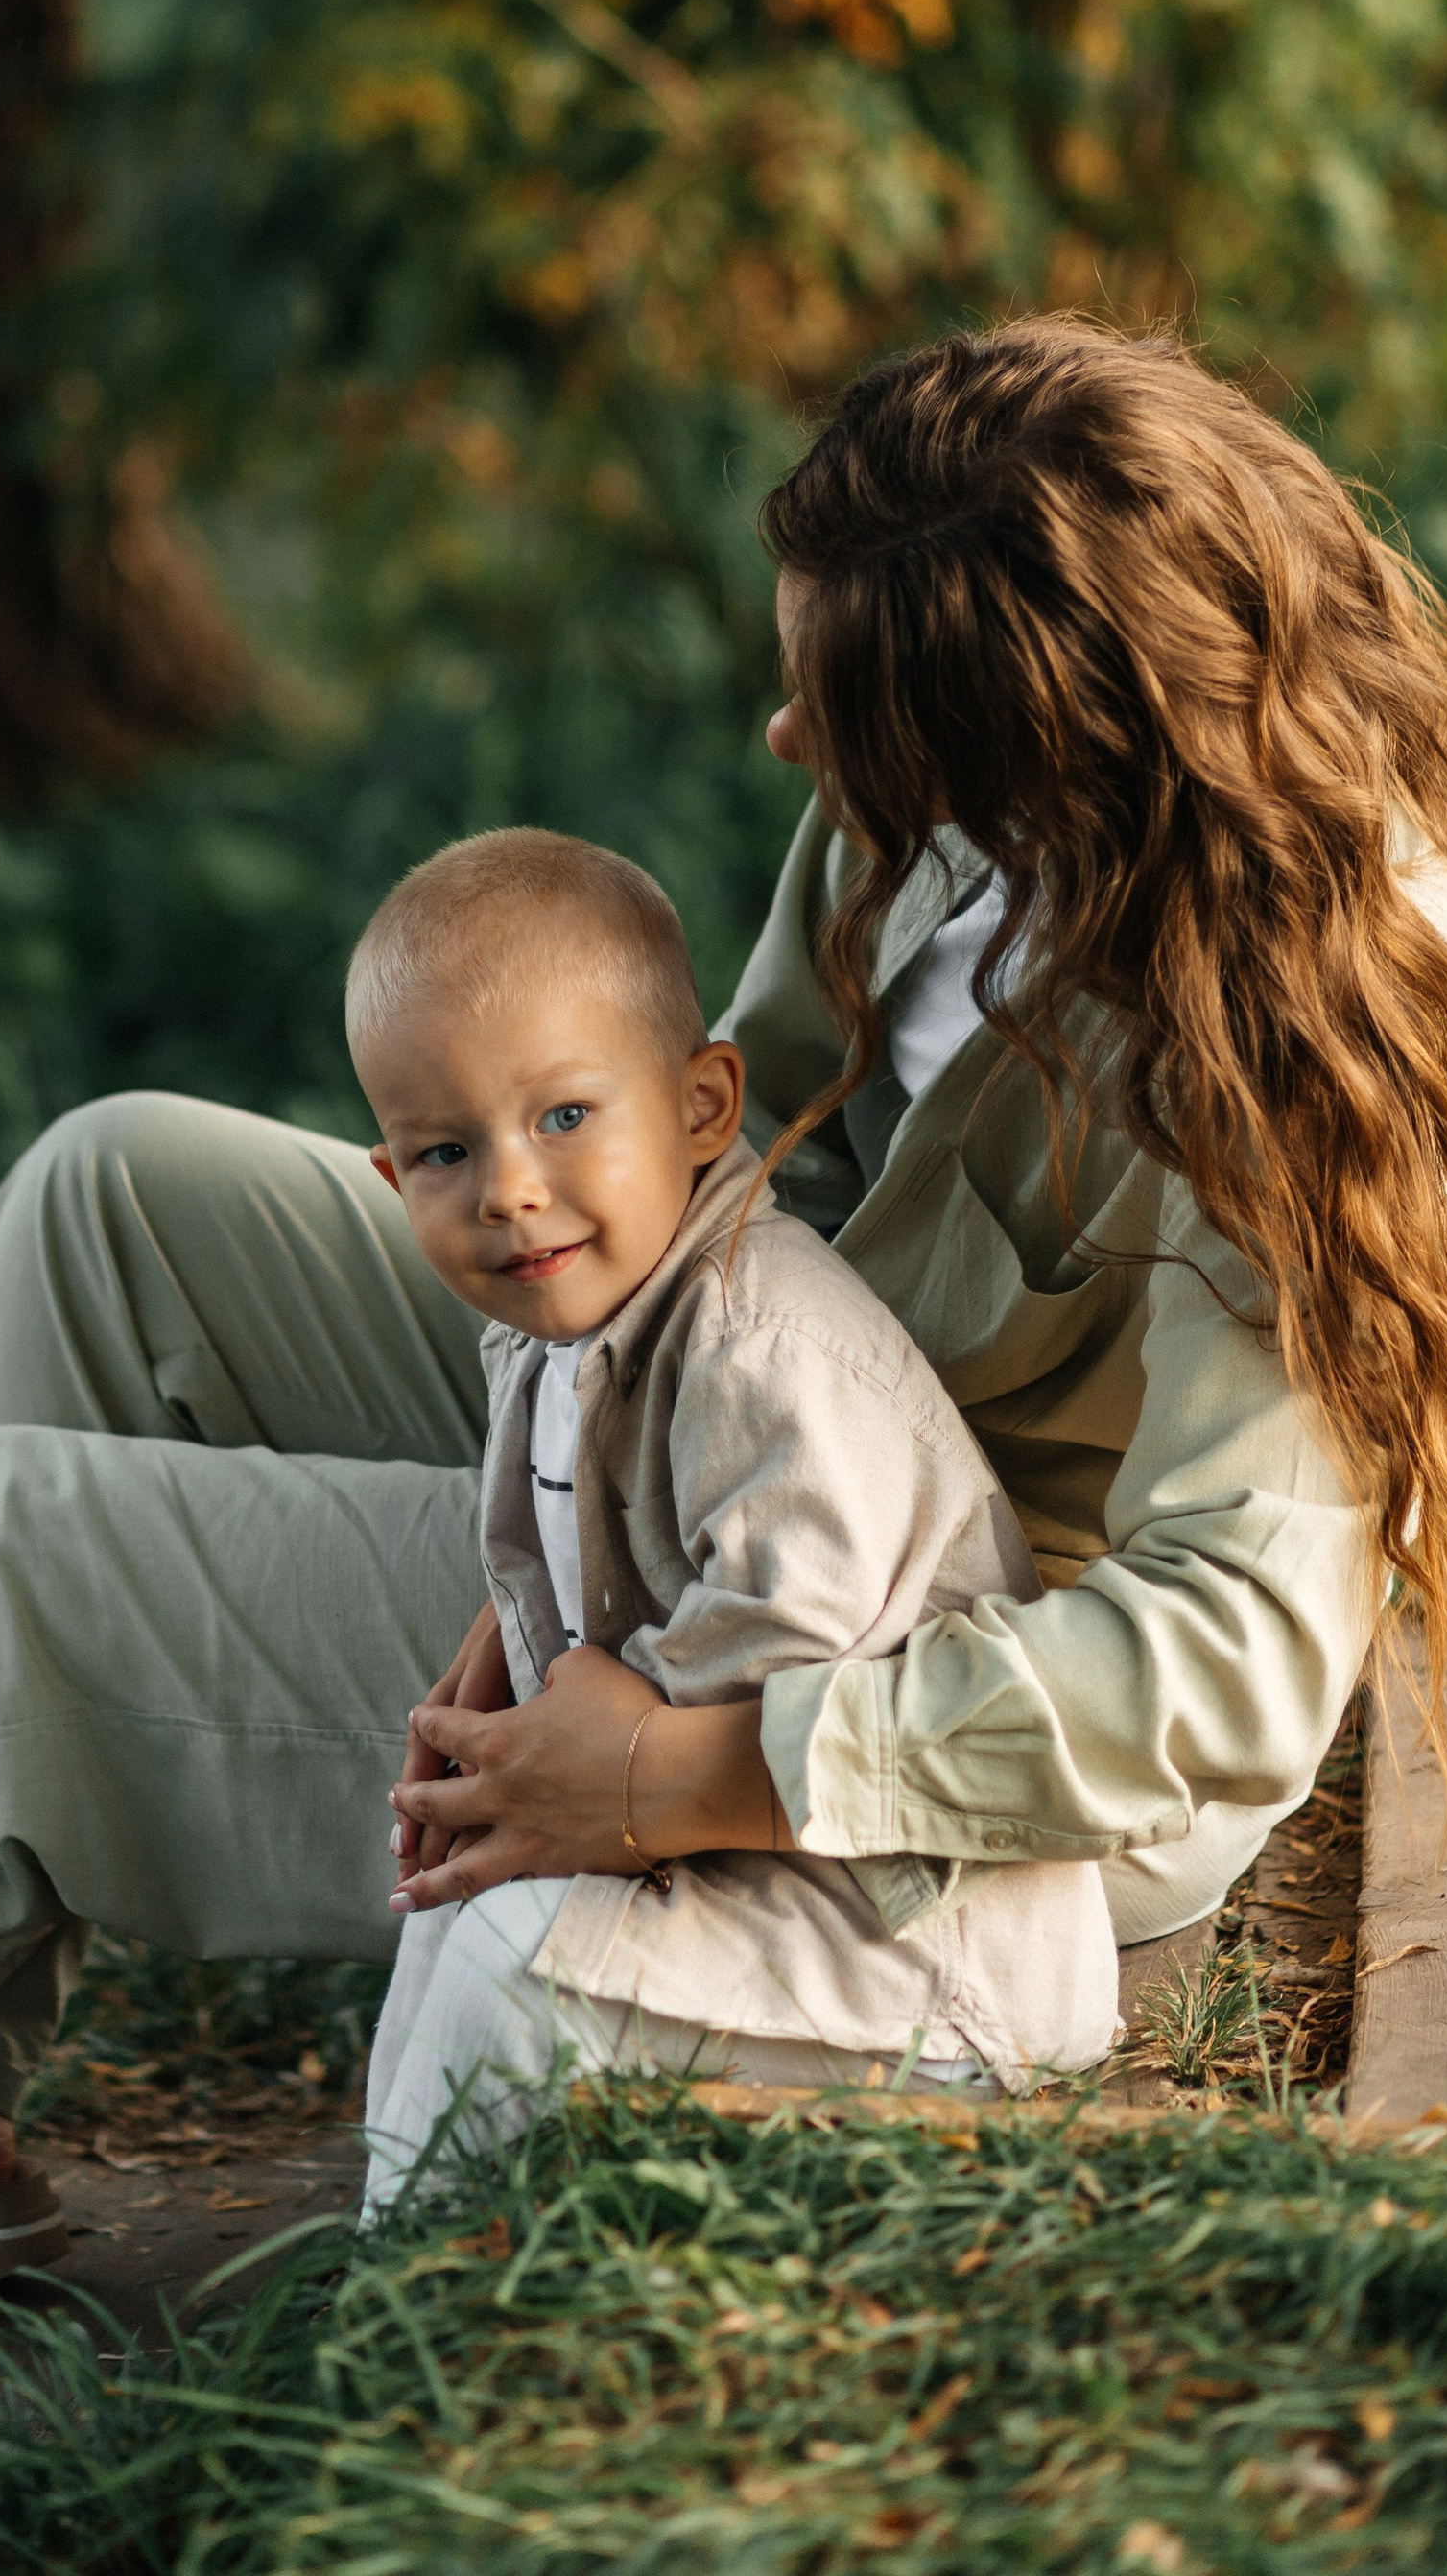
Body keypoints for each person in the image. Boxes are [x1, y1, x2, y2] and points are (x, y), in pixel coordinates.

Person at [0, 317, 1447, 2345]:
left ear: (1055, 728)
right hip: (764, 1446)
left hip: (917, 1709)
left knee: (16, 1569)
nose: (791, 752)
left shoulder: (1350, 1015)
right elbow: (729, 1162)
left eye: (844, 720)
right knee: (114, 1201)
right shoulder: (960, 813)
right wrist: (549, 1488)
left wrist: (673, 1769)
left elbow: (1222, 1676)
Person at [344, 828, 1115, 2203]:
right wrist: (522, 1705)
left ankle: (428, 2294)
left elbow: (794, 1634)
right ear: (397, 1182)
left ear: (703, 1108)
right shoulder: (555, 1320)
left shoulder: (764, 1352)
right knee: (456, 1911)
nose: (509, 1188)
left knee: (517, 1971)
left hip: (924, 1948)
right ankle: (392, 2244)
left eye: (564, 1117)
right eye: (448, 1151)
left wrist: (595, 1719)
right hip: (739, 1860)